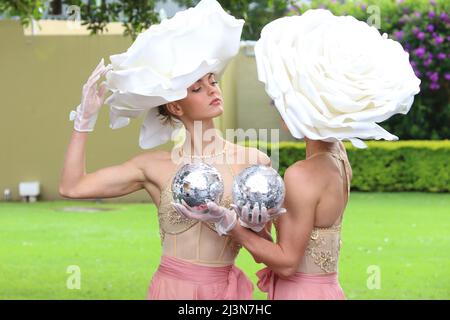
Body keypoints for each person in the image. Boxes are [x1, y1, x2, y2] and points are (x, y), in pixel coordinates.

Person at [59, 0, 271, 300]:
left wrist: (254, 227)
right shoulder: (153, 166)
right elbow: (72, 186)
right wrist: (84, 119)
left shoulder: (252, 161)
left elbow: (265, 253)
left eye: (212, 81)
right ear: (174, 105)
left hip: (227, 293)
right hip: (171, 290)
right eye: (197, 88)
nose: (213, 89)